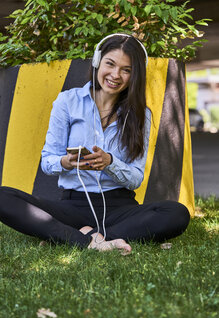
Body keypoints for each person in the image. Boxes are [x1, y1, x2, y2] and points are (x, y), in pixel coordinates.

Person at [0, 34, 190, 255]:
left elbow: (136, 178)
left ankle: (73, 236)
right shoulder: (67, 102)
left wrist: (110, 162)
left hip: (120, 207)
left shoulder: (141, 115)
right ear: (98, 60)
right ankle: (93, 238)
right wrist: (67, 162)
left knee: (176, 213)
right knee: (4, 197)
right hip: (73, 205)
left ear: (135, 75)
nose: (115, 75)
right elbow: (48, 161)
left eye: (126, 70)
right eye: (110, 64)